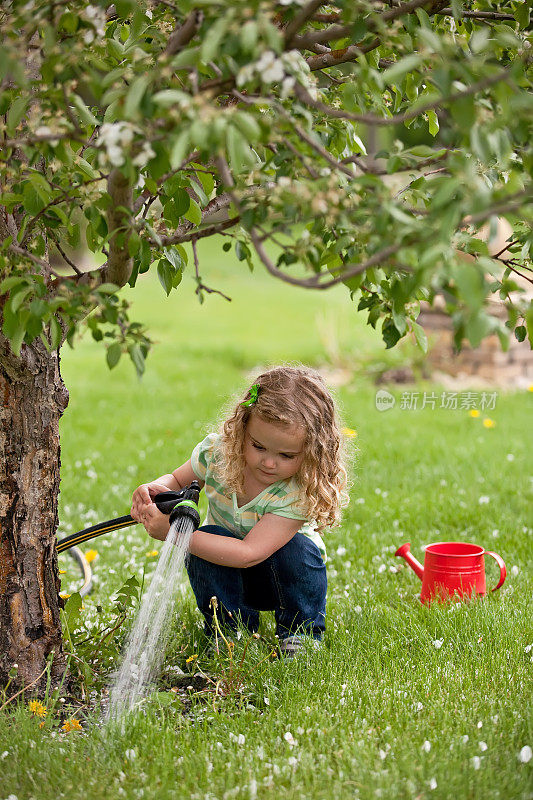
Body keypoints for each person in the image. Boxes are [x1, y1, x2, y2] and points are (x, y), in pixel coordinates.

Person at [131, 365, 350, 657]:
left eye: (286, 455)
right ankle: (229, 632)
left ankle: (300, 633)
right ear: (242, 429)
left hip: (279, 580)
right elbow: (176, 480)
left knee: (298, 549)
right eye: (258, 446)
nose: (269, 463)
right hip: (227, 571)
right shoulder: (218, 454)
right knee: (208, 538)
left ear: (312, 452)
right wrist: (155, 488)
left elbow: (250, 553)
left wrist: (177, 534)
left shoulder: (297, 490)